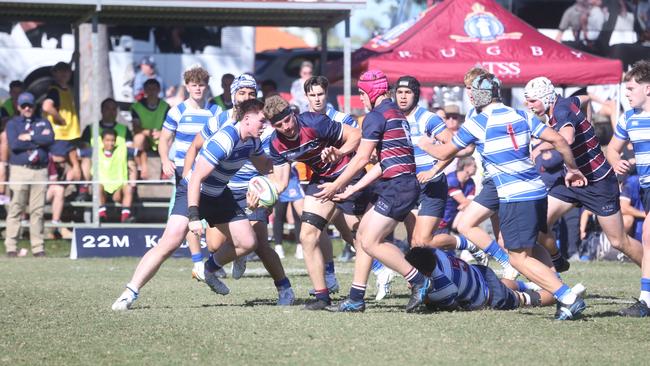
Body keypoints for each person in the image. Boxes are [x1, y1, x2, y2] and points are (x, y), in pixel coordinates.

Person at [419, 73, 589, 320]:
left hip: (514, 195)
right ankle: (557, 289)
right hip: (538, 191)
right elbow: (559, 139)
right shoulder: (520, 114)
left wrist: (424, 145)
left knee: (518, 259)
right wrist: (572, 169)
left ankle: (567, 297)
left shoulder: (480, 121)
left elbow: (445, 150)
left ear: (478, 96)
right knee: (532, 247)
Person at [315, 70, 431, 313]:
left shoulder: (375, 117)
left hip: (397, 186)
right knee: (361, 237)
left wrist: (336, 185)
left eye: (361, 92)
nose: (361, 98)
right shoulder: (395, 114)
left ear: (372, 91)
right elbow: (382, 164)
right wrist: (352, 189)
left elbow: (360, 159)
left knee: (370, 240)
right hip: (396, 183)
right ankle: (356, 297)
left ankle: (419, 281)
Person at [183, 74, 295, 305]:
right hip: (219, 190)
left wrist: (271, 190)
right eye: (242, 92)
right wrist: (186, 175)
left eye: (251, 93)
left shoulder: (261, 128)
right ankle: (228, 258)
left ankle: (284, 289)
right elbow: (195, 146)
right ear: (233, 95)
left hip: (253, 190)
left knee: (259, 244)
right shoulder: (220, 123)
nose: (246, 97)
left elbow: (268, 165)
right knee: (215, 245)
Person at [112, 65, 213, 311]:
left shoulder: (216, 112)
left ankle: (209, 266)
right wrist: (166, 160)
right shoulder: (177, 111)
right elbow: (164, 141)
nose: (198, 88)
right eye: (194, 84)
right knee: (170, 239)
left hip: (213, 181)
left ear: (206, 86)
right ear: (187, 86)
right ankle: (130, 291)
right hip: (186, 178)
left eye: (201, 84)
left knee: (242, 237)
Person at [525, 76, 643, 274]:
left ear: (546, 98)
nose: (529, 106)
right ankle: (557, 260)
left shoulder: (561, 111)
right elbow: (586, 98)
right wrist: (587, 123)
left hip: (598, 182)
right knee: (538, 224)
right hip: (572, 182)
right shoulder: (568, 102)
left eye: (532, 101)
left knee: (618, 241)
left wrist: (541, 145)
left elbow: (567, 139)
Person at [264, 94, 364, 310]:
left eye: (288, 120)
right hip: (322, 180)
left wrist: (339, 152)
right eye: (279, 125)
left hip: (349, 173)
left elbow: (356, 135)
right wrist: (261, 194)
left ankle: (405, 276)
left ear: (293, 114)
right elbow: (280, 183)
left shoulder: (313, 122)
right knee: (307, 236)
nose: (286, 127)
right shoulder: (276, 144)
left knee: (363, 236)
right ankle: (322, 297)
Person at [393, 75, 483, 264]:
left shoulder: (428, 119)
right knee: (415, 242)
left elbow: (453, 146)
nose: (402, 96)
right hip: (409, 185)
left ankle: (467, 243)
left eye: (407, 92)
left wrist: (433, 170)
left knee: (424, 240)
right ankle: (420, 282)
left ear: (416, 95)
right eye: (399, 92)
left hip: (432, 184)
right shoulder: (393, 118)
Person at [304, 75, 359, 291]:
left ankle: (380, 266)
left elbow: (358, 146)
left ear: (327, 94)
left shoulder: (344, 120)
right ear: (306, 96)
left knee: (352, 230)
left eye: (320, 94)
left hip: (346, 180)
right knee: (318, 228)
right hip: (320, 180)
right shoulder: (304, 121)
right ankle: (329, 278)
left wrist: (340, 154)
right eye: (312, 95)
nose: (317, 99)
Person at [606, 59, 650, 317]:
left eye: (631, 89)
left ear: (647, 89)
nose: (627, 95)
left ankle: (646, 302)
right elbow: (612, 148)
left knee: (647, 236)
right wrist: (617, 162)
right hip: (645, 186)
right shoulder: (629, 118)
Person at [405, 247, 555, 311]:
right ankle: (529, 284)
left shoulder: (442, 289)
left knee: (525, 299)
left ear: (425, 273)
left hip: (490, 296)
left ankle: (560, 293)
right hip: (479, 272)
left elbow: (453, 306)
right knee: (502, 283)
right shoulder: (435, 253)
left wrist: (427, 300)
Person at [4, 92, 54, 257]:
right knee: (16, 208)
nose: (27, 108)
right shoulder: (12, 124)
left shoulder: (42, 122)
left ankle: (38, 247)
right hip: (20, 170)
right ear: (18, 107)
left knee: (38, 210)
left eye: (30, 105)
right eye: (24, 105)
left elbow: (49, 140)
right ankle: (11, 246)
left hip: (39, 171)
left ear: (34, 106)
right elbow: (15, 144)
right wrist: (38, 139)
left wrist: (30, 136)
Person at [78, 98, 137, 215]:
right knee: (86, 160)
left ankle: (126, 217)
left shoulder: (124, 129)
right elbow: (83, 152)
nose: (111, 112)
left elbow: (132, 152)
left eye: (114, 109)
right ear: (102, 110)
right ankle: (84, 188)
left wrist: (141, 167)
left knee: (132, 164)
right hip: (99, 176)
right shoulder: (90, 129)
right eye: (108, 108)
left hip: (118, 177)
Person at [42, 62, 82, 187]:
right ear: (54, 73)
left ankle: (61, 190)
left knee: (75, 165)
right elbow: (47, 106)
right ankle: (57, 189)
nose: (64, 73)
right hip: (59, 134)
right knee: (60, 161)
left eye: (66, 70)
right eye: (60, 71)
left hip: (69, 135)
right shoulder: (54, 91)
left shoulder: (67, 89)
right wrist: (60, 118)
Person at [131, 78, 170, 180]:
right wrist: (147, 132)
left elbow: (171, 126)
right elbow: (136, 128)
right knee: (138, 139)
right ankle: (139, 170)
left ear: (159, 90)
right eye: (149, 89)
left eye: (154, 89)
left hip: (160, 137)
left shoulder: (165, 106)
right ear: (145, 91)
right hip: (146, 139)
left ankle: (166, 170)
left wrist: (161, 133)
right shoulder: (136, 107)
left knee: (169, 139)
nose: (152, 92)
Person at [94, 129, 134, 222]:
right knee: (97, 186)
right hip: (103, 190)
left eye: (113, 140)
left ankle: (125, 218)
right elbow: (77, 153)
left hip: (118, 190)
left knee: (128, 187)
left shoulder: (123, 150)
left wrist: (142, 167)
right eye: (107, 140)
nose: (110, 143)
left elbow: (140, 152)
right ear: (102, 141)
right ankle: (102, 216)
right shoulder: (95, 152)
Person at [440, 157, 477, 235]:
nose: (476, 168)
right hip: (441, 220)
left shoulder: (470, 182)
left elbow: (469, 203)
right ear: (466, 167)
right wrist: (467, 203)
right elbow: (464, 201)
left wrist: (467, 204)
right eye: (474, 166)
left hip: (455, 220)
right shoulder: (450, 179)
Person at [0, 80, 23, 201]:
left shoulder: (28, 104)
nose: (17, 95)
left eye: (19, 92)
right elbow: (4, 123)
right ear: (10, 93)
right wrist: (14, 116)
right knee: (4, 135)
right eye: (14, 92)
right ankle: (4, 162)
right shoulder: (5, 106)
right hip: (10, 138)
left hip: (24, 139)